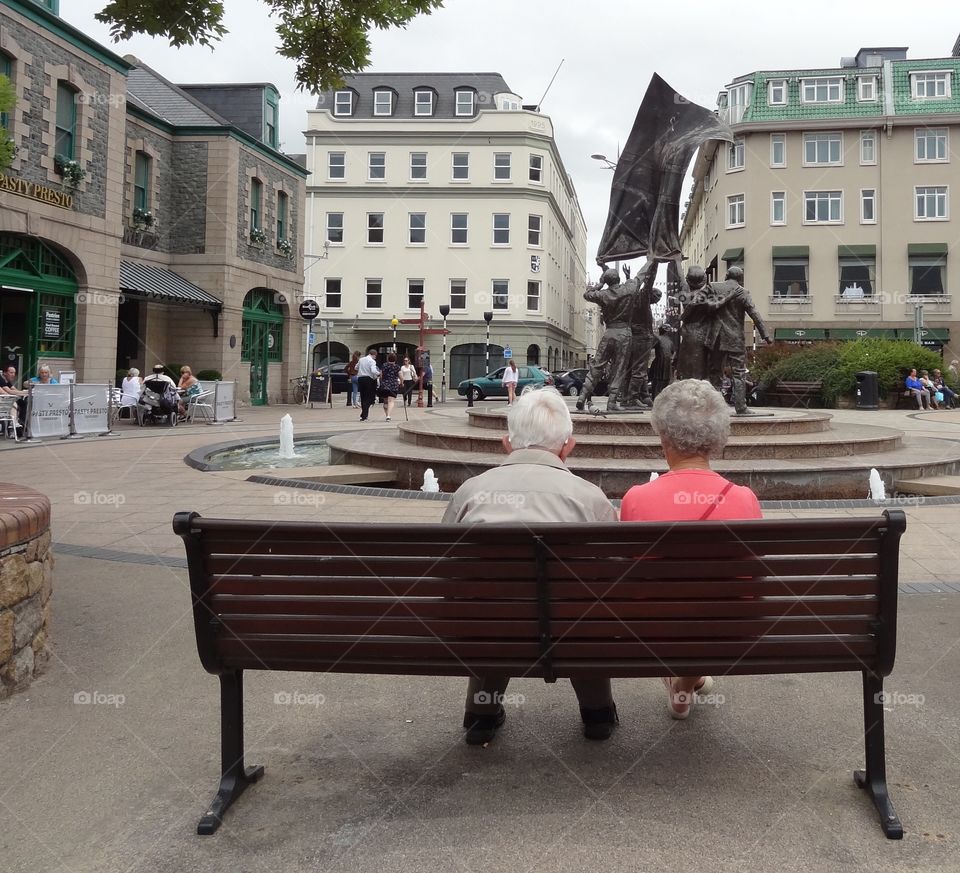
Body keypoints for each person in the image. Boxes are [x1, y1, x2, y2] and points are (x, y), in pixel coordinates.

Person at [443, 386, 619, 744]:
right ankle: (597, 713)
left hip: (487, 629)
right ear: (568, 446)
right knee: (584, 612)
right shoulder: (588, 496)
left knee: (492, 607)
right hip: (572, 630)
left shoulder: (471, 491)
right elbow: (612, 573)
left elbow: (445, 568)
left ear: (507, 443)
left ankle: (482, 716)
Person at [620, 379, 762, 719]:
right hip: (730, 630)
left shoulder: (637, 499)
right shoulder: (745, 499)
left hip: (654, 628)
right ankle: (689, 678)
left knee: (674, 614)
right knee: (708, 614)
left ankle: (684, 678)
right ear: (716, 439)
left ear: (663, 436)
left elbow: (631, 582)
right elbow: (750, 582)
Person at [703, 266, 771, 414]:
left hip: (716, 337)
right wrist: (765, 334)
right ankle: (741, 407)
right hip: (735, 338)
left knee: (715, 372)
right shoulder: (743, 292)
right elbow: (754, 314)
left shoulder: (713, 287)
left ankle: (713, 407)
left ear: (727, 275)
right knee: (739, 373)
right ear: (740, 278)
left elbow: (706, 308)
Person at [577, 266, 635, 412]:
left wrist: (600, 284)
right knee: (619, 367)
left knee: (597, 366)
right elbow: (635, 284)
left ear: (606, 281)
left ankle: (582, 396)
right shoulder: (628, 289)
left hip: (609, 333)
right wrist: (628, 276)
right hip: (624, 333)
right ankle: (612, 402)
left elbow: (587, 294)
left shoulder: (603, 294)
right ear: (618, 279)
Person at [1, 365, 28, 432]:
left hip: (5, 401)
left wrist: (23, 392)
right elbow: (8, 392)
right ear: (5, 373)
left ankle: (22, 424)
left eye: (14, 373)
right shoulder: (1, 379)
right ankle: (13, 423)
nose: (13, 375)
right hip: (3, 402)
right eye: (11, 372)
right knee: (13, 402)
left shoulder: (7, 381)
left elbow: (14, 390)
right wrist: (25, 392)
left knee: (22, 402)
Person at [356, 349, 380, 421]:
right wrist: (378, 373)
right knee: (368, 397)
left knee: (363, 396)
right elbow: (373, 371)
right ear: (373, 355)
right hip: (368, 379)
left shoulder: (361, 359)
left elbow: (356, 367)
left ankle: (363, 415)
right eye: (375, 356)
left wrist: (361, 369)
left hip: (360, 379)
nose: (375, 358)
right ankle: (364, 415)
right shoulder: (372, 361)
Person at [378, 352, 401, 421]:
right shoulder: (397, 367)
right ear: (395, 359)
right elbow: (401, 375)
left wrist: (381, 381)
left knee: (385, 401)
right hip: (393, 385)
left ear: (388, 358)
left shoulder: (384, 365)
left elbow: (381, 375)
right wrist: (402, 382)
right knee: (391, 401)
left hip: (385, 385)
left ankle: (387, 415)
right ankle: (388, 415)